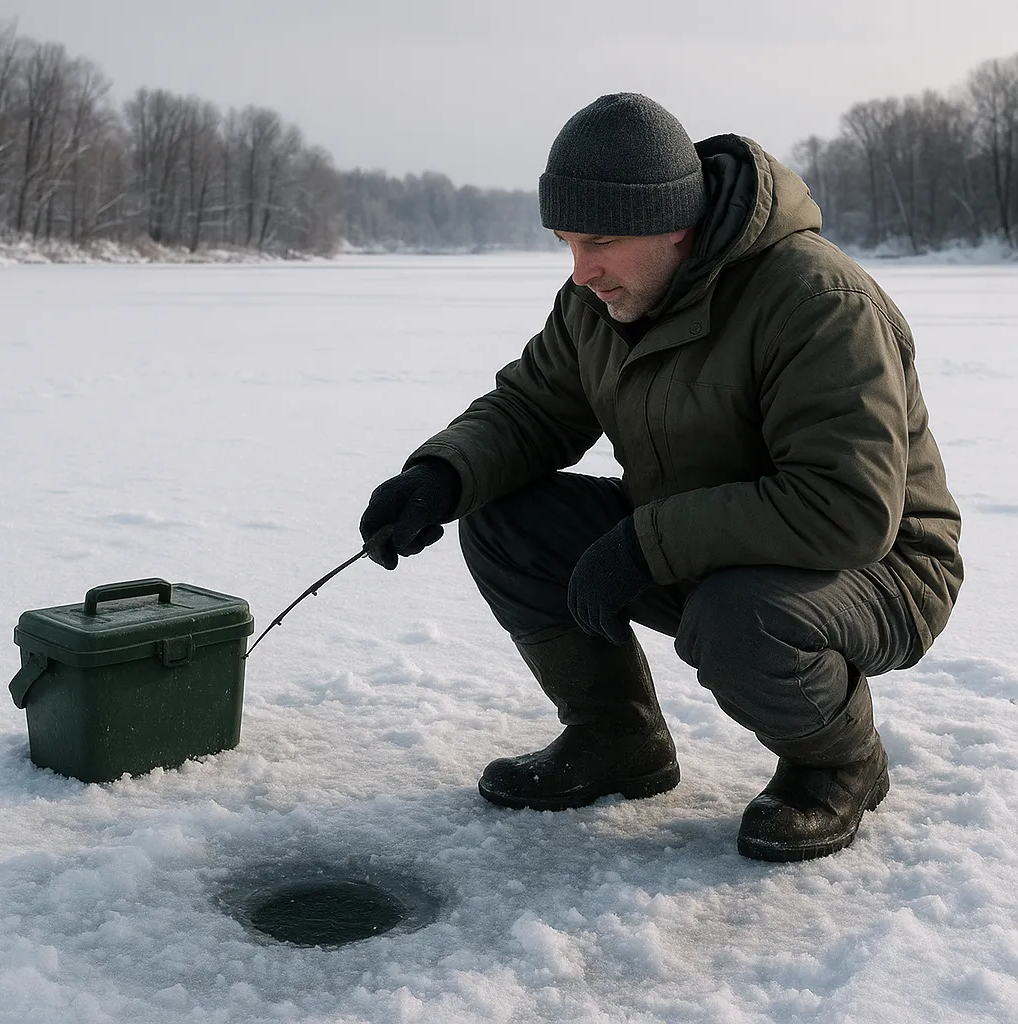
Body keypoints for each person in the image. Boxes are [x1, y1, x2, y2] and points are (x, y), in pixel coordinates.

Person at [358, 93, 963, 862]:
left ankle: (839, 761)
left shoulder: (817, 302)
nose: (582, 272)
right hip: (701, 547)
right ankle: (617, 738)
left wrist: (645, 545)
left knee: (739, 614)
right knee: (507, 518)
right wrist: (442, 474)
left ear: (674, 222)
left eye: (600, 241)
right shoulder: (600, 302)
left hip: (878, 566)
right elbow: (533, 409)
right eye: (567, 242)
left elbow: (845, 507)